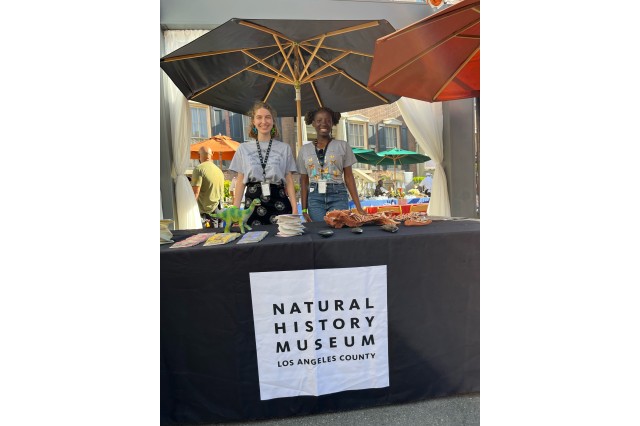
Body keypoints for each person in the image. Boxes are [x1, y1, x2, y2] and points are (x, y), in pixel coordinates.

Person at [229, 101, 298, 226]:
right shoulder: (243, 149)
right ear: (253, 122)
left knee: (281, 243)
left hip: (279, 203)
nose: (264, 121)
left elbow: (288, 179)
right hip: (253, 206)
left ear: (273, 121)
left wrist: (295, 208)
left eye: (267, 117)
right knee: (254, 241)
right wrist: (235, 210)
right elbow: (240, 181)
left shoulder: (284, 148)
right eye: (259, 117)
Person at [296, 106, 365, 222]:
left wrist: (358, 207)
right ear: (313, 123)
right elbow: (304, 181)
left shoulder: (343, 146)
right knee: (320, 231)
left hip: (338, 195)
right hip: (315, 198)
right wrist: (303, 210)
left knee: (338, 231)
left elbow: (349, 177)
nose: (324, 123)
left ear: (333, 123)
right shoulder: (304, 150)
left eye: (328, 120)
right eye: (319, 120)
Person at [192, 146, 225, 228]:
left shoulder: (199, 169)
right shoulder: (219, 170)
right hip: (220, 208)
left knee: (209, 238)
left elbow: (195, 193)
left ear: (199, 155)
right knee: (220, 237)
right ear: (211, 155)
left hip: (208, 212)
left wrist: (190, 211)